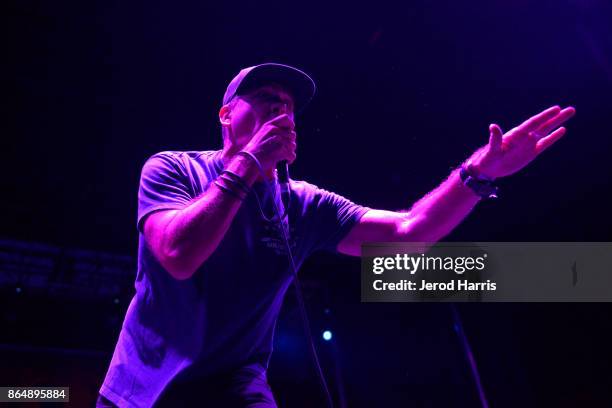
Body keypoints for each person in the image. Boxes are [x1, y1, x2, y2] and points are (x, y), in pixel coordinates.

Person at [97, 63, 575, 407]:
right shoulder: (171, 169)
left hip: (234, 386)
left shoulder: (304, 204)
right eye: (266, 100)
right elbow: (178, 254)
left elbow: (409, 233)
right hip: (143, 388)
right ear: (225, 114)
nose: (281, 113)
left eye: (287, 107)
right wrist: (248, 163)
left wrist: (478, 173)